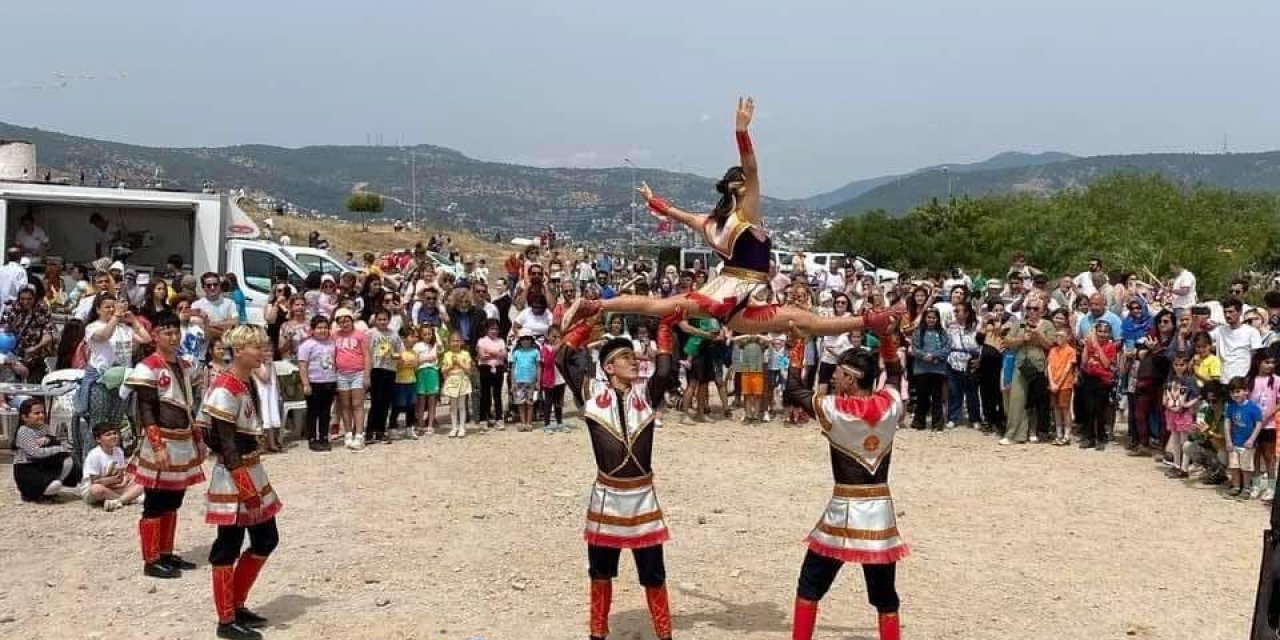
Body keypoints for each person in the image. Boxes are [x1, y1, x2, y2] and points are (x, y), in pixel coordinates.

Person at [562, 98, 897, 341]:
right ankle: (870, 319)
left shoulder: (708, 222)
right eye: (746, 183)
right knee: (805, 319)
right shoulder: (747, 213)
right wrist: (741, 132)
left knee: (656, 305)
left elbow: (674, 213)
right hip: (740, 294)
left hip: (725, 296)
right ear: (740, 188)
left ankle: (594, 305)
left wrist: (653, 202)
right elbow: (752, 167)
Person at [556, 308, 680, 640]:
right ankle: (598, 634)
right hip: (607, 500)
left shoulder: (645, 395)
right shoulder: (592, 396)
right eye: (626, 357)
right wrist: (588, 321)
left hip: (642, 500)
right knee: (600, 572)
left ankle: (664, 635)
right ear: (609, 367)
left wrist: (666, 323)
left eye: (634, 356)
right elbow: (562, 357)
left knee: (654, 574)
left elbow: (665, 370)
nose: (635, 360)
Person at [783, 327, 909, 640]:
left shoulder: (834, 409)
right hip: (880, 513)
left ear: (851, 380)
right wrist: (886, 338)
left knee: (810, 585)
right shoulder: (892, 406)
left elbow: (793, 388)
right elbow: (894, 372)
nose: (834, 379)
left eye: (838, 374)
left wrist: (798, 341)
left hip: (843, 512)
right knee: (885, 597)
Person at [198, 325, 281, 640]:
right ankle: (226, 619)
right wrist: (242, 484)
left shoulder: (243, 384)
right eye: (256, 347)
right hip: (234, 476)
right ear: (240, 350)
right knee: (228, 546)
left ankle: (237, 602)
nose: (262, 352)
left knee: (265, 538)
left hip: (251, 469)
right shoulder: (225, 388)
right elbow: (223, 440)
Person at [125, 310, 206, 579]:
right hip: (162, 440)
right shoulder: (147, 367)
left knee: (174, 498)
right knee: (156, 500)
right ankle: (151, 559)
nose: (173, 337)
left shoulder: (182, 365)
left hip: (183, 438)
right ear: (156, 336)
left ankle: (166, 552)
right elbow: (146, 408)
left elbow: (187, 406)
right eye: (167, 332)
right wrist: (157, 444)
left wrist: (197, 437)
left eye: (175, 332)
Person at [12, 398, 81, 502]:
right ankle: (33, 494)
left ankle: (47, 492)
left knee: (68, 460)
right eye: (36, 413)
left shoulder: (44, 427)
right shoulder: (23, 432)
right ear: (24, 417)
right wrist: (58, 448)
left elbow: (54, 440)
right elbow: (36, 453)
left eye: (42, 412)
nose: (41, 415)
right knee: (56, 485)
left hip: (43, 463)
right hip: (27, 468)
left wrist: (49, 441)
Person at [80, 422, 144, 511]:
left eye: (114, 433)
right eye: (108, 435)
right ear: (98, 439)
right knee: (97, 489)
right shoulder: (94, 455)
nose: (113, 436)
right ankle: (128, 499)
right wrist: (115, 480)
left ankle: (118, 501)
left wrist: (125, 480)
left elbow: (122, 476)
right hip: (94, 489)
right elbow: (95, 481)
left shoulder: (119, 451)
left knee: (141, 483)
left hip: (114, 486)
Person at [332, 308, 370, 451]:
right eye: (341, 321)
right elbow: (332, 354)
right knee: (344, 405)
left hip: (358, 372)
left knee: (357, 404)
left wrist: (367, 374)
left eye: (347, 320)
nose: (345, 323)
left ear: (351, 320)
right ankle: (348, 433)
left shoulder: (360, 335)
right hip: (341, 373)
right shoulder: (334, 336)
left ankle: (359, 434)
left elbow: (366, 355)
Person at [297, 315, 337, 452]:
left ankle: (324, 437)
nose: (322, 330)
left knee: (326, 412)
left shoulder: (332, 343)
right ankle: (312, 438)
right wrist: (306, 384)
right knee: (313, 412)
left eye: (325, 327)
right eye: (319, 328)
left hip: (329, 381)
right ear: (313, 329)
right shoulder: (306, 345)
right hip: (314, 382)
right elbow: (303, 365)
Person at [364, 309, 403, 445]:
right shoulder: (370, 334)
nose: (382, 322)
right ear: (375, 320)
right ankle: (369, 431)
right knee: (376, 402)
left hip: (390, 369)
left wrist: (396, 355)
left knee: (386, 402)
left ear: (389, 320)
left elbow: (400, 351)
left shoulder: (394, 334)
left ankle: (381, 432)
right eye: (379, 319)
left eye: (385, 319)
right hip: (375, 369)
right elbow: (365, 352)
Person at [1078, 322, 1118, 450]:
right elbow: (1084, 362)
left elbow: (1106, 364)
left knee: (1100, 409)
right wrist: (1086, 346)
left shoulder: (1110, 346)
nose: (1102, 334)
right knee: (1089, 409)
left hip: (1103, 380)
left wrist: (1096, 346)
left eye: (1105, 332)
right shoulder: (1090, 344)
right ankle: (1090, 437)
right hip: (1089, 378)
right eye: (1100, 331)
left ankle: (1101, 437)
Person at [1225, 376, 1264, 500]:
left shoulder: (1253, 408)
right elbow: (1227, 423)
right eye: (1232, 392)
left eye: (1237, 391)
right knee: (1234, 465)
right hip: (1234, 442)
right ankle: (1236, 486)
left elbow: (1258, 424)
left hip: (1247, 444)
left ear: (1246, 391)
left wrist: (1252, 439)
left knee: (1246, 467)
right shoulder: (1230, 407)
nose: (1235, 395)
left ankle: (1246, 488)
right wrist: (1228, 440)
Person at [1163, 353, 1200, 478]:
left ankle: (1184, 468)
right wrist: (1164, 399)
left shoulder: (1190, 379)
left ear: (1187, 365)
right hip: (1171, 412)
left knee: (1184, 442)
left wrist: (1187, 404)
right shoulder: (1170, 378)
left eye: (1182, 365)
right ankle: (1176, 465)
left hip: (1184, 414)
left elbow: (1197, 395)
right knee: (1175, 441)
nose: (1179, 367)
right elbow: (1166, 391)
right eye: (1176, 365)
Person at [1046, 326, 1078, 446]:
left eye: (1061, 336)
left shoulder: (1071, 351)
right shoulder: (1053, 350)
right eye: (1057, 336)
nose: (1058, 338)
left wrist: (1058, 383)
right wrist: (1051, 382)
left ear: (1067, 338)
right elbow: (1049, 366)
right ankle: (1058, 434)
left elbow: (1067, 368)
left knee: (1065, 409)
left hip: (1065, 384)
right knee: (1056, 409)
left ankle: (1067, 435)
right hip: (1053, 383)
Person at [440, 331, 474, 438]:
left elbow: (469, 370)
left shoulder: (465, 354)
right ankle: (454, 427)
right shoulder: (447, 355)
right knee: (453, 406)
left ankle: (462, 427)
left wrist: (459, 363)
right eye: (453, 341)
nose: (455, 343)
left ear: (461, 342)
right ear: (449, 343)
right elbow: (443, 370)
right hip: (451, 380)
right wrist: (451, 366)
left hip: (462, 379)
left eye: (457, 340)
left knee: (462, 405)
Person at [476, 320, 508, 431]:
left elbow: (504, 355)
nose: (494, 331)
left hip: (498, 369)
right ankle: (483, 419)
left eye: (496, 329)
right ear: (486, 330)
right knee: (485, 395)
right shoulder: (481, 341)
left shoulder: (501, 341)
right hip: (485, 368)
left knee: (497, 394)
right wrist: (496, 354)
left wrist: (490, 352)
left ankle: (499, 418)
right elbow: (481, 356)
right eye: (491, 328)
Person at [508, 329, 540, 431]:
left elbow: (539, 367)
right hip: (518, 381)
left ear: (531, 340)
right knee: (520, 403)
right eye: (523, 339)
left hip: (531, 382)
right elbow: (512, 368)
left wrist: (538, 381)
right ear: (519, 340)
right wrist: (512, 382)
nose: (525, 341)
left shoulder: (535, 352)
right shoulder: (516, 352)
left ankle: (529, 423)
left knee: (530, 403)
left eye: (528, 339)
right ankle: (523, 422)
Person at [412, 324, 441, 435]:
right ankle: (420, 424)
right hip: (420, 372)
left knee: (432, 398)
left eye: (429, 333)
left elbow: (440, 348)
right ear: (420, 334)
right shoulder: (417, 346)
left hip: (433, 372)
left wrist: (436, 333)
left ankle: (430, 424)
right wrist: (427, 358)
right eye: (424, 334)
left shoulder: (434, 345)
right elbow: (416, 361)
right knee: (421, 399)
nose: (427, 336)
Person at [193, 272, 239, 342]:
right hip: (204, 347)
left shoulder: (230, 303)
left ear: (219, 285)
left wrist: (208, 324)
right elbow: (198, 327)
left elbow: (235, 322)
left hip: (224, 347)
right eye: (209, 285)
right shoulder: (196, 305)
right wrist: (224, 327)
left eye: (215, 285)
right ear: (203, 287)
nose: (212, 288)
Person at [539, 325, 568, 431]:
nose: (556, 339)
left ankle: (559, 422)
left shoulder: (562, 348)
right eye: (553, 336)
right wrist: (555, 350)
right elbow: (546, 362)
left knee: (558, 402)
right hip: (549, 379)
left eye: (558, 337)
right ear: (548, 336)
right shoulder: (545, 348)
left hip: (560, 379)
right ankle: (547, 424)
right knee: (548, 402)